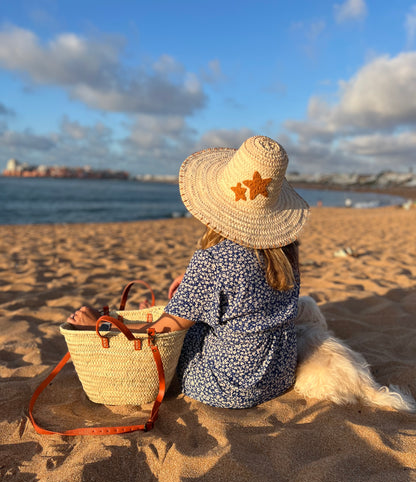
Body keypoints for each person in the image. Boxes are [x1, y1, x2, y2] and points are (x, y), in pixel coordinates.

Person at [67, 135, 310, 409]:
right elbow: (246, 299)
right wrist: (191, 292)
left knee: (179, 339)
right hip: (279, 372)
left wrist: (101, 323)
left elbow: (162, 332)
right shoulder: (287, 250)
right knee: (195, 321)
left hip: (231, 385)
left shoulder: (215, 259)